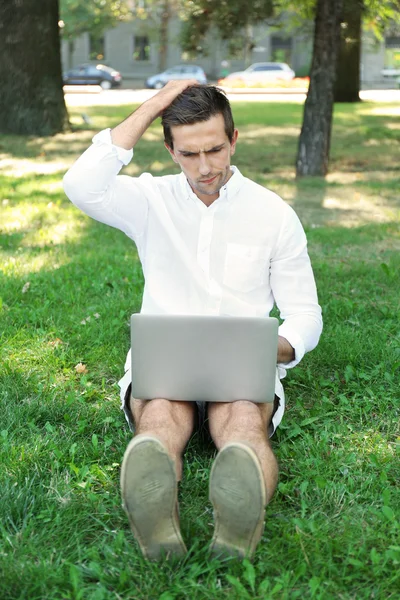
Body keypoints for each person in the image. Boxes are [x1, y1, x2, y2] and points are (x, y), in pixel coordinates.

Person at [63, 81, 322, 561]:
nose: (205, 168)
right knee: (160, 419)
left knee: (244, 426)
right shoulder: (148, 201)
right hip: (166, 364)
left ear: (234, 140)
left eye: (215, 150)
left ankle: (237, 528)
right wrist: (155, 104)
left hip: (242, 368)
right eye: (189, 154)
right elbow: (81, 184)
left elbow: (305, 314)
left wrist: (276, 348)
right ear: (169, 149)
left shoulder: (273, 214)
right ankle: (156, 517)